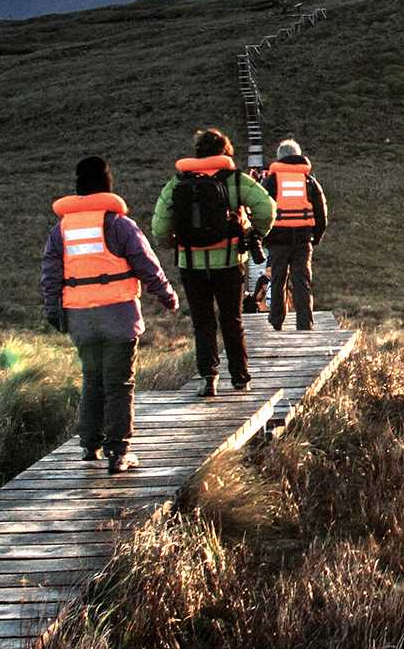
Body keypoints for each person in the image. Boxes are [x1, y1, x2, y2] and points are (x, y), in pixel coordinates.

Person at [41, 155, 177, 472]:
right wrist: (166, 295)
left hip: (80, 318)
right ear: (107, 184)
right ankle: (119, 451)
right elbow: (147, 264)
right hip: (118, 315)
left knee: (92, 379)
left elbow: (49, 273)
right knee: (119, 384)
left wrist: (53, 310)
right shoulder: (118, 224)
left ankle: (90, 445)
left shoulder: (61, 229)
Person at [152, 128, 275, 397]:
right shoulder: (234, 180)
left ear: (197, 153)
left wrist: (175, 243)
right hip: (230, 263)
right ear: (226, 151)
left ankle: (209, 378)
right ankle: (240, 378)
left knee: (203, 322)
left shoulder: (177, 183)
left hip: (191, 266)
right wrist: (256, 233)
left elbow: (159, 227)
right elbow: (267, 208)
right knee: (232, 320)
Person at [259, 139, 328, 331]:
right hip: (302, 241)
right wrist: (316, 237)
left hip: (277, 241)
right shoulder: (309, 181)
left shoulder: (271, 180)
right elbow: (321, 213)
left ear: (280, 158)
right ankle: (305, 323)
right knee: (302, 282)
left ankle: (276, 321)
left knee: (277, 280)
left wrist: (264, 238)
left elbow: (262, 210)